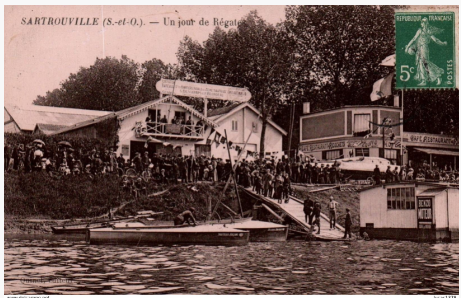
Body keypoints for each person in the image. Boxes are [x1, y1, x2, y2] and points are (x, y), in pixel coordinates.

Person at [405, 17, 447, 86]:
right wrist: (408, 47)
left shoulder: (427, 31)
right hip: (419, 48)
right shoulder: (421, 30)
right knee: (421, 63)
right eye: (421, 22)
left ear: (425, 23)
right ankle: (425, 79)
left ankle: (434, 77)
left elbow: (435, 40)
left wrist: (443, 43)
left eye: (423, 22)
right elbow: (414, 39)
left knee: (424, 63)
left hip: (424, 48)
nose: (421, 23)